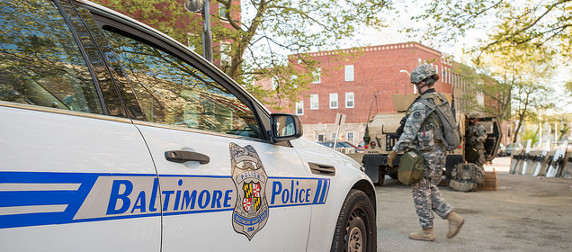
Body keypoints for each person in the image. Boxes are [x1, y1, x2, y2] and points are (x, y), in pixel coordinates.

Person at [387, 64, 464, 241]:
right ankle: (453, 217)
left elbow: (408, 133)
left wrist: (394, 152)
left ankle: (427, 231)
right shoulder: (441, 100)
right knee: (428, 188)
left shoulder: (422, 105)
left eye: (416, 83)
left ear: (421, 82)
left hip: (426, 155)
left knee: (420, 191)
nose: (415, 86)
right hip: (439, 153)